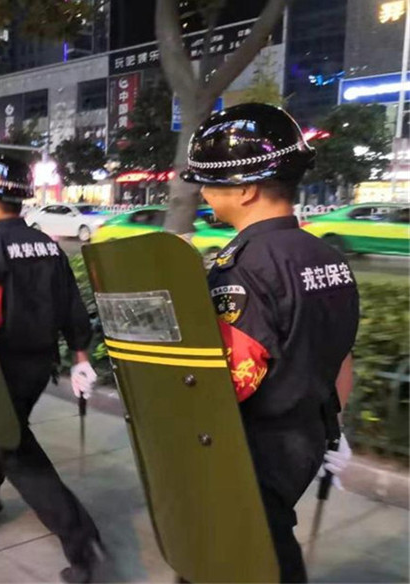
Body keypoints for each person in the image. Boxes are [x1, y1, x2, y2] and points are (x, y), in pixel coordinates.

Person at [180, 103, 359, 583]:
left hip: (255, 446)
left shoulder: (245, 266)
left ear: (246, 188)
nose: (203, 192)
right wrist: (334, 426)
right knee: (258, 540)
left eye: (210, 182)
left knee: (251, 552)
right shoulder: (329, 258)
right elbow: (341, 356)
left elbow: (234, 380)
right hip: (308, 438)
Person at [0, 156, 103, 584]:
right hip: (40, 363)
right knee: (0, 428)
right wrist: (81, 356)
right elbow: (72, 305)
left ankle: (83, 541)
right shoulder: (49, 246)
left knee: (13, 445)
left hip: (1, 364)